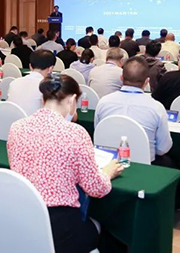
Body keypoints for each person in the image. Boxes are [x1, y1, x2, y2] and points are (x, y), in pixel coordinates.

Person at [7, 74, 123, 253]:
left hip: (23, 220)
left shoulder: (17, 127)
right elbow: (96, 188)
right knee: (107, 232)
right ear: (72, 100)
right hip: (60, 229)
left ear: (43, 99)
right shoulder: (76, 133)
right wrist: (108, 173)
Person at [94, 56, 173, 163]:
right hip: (144, 166)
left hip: (108, 164)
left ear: (121, 78)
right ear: (147, 81)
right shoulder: (156, 108)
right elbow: (163, 148)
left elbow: (98, 134)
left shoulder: (103, 102)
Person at [8, 50, 56, 116]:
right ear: (50, 68)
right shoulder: (47, 87)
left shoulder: (14, 83)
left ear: (30, 66)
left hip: (12, 121)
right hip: (34, 121)